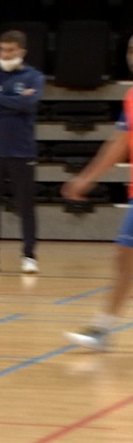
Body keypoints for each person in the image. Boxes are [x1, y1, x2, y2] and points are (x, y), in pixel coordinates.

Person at [63, 36, 133, 351]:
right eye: (131, 50)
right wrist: (87, 177)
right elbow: (119, 143)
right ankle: (102, 330)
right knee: (123, 256)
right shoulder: (131, 97)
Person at [0, 30, 45, 274]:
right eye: (2, 50)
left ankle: (28, 256)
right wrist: (13, 100)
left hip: (21, 152)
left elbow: (28, 104)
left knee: (25, 206)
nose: (6, 54)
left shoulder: (33, 77)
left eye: (11, 50)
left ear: (21, 51)